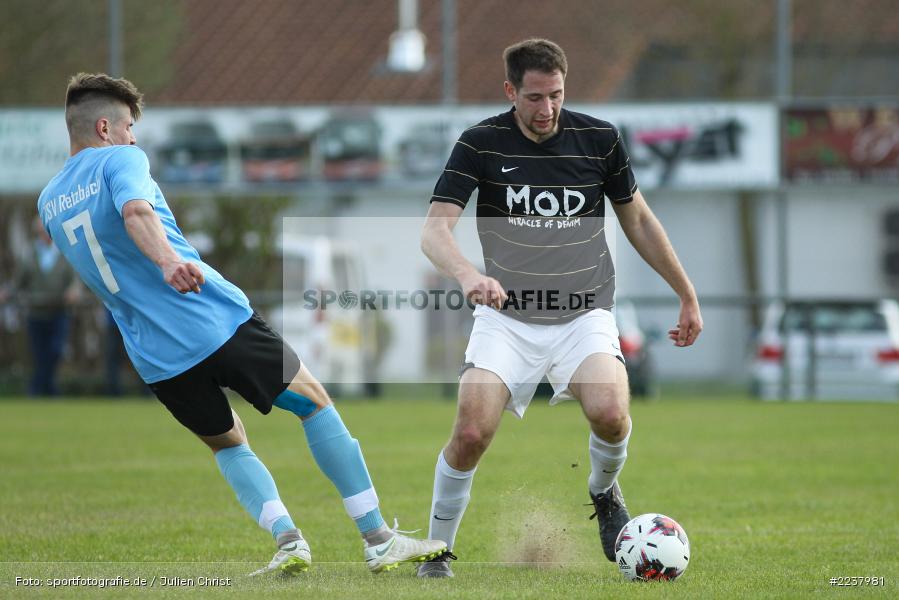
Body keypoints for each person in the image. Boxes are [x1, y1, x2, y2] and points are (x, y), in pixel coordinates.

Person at [38, 72, 446, 576]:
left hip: (154, 355)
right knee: (314, 403)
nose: (133, 138)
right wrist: (168, 261)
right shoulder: (120, 159)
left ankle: (288, 540)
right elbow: (136, 212)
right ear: (105, 128)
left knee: (227, 442)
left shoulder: (49, 201)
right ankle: (378, 538)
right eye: (128, 128)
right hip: (213, 318)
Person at [417, 39, 703, 577]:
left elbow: (639, 220)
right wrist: (468, 275)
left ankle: (603, 492)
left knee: (612, 415)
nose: (547, 109)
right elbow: (434, 231)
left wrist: (686, 293)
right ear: (510, 91)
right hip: (506, 319)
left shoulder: (599, 139)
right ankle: (436, 552)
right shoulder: (480, 143)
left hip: (582, 313)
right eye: (534, 97)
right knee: (471, 433)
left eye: (556, 95)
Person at [3, 217, 81, 396]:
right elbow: (18, 282)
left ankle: (38, 388)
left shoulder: (64, 251)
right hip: (35, 312)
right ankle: (49, 390)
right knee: (39, 354)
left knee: (56, 350)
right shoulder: (29, 253)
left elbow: (75, 280)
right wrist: (7, 293)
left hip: (59, 311)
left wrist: (73, 291)